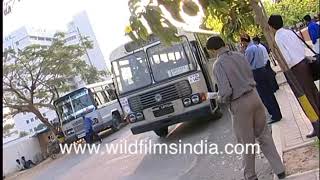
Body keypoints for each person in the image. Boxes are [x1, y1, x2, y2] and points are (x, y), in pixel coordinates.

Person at [206, 36, 285, 180]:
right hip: (254, 96)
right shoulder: (240, 55)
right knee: (264, 135)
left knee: (246, 142)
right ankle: (279, 169)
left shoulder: (218, 65)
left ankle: (250, 175)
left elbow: (225, 92)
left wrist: (217, 97)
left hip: (239, 103)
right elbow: (250, 74)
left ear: (213, 49)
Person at [268, 14, 320, 139]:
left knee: (305, 98)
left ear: (270, 26)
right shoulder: (289, 32)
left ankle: (317, 126)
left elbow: (287, 58)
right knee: (313, 93)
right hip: (304, 64)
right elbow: (300, 47)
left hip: (296, 69)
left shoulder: (278, 38)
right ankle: (316, 125)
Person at [240, 34, 283, 124]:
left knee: (264, 96)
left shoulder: (249, 50)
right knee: (270, 94)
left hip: (256, 73)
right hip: (263, 70)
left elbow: (246, 64)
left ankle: (274, 115)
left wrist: (242, 53)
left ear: (243, 41)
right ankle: (277, 113)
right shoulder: (257, 46)